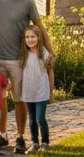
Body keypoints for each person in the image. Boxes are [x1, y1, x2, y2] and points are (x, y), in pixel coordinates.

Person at [0, 0, 55, 154]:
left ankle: (20, 137)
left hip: (19, 60)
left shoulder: (27, 1)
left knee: (19, 100)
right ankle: (3, 135)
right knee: (0, 99)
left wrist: (50, 51)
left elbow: (39, 27)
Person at [20, 25, 54, 153]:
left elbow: (50, 71)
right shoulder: (24, 54)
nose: (30, 39)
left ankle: (45, 143)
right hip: (29, 91)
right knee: (32, 119)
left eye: (33, 36)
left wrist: (51, 92)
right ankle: (34, 143)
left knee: (40, 118)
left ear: (39, 38)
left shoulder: (44, 53)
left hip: (41, 91)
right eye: (27, 37)